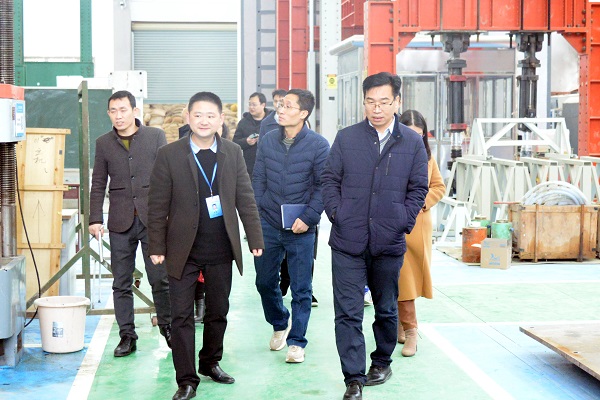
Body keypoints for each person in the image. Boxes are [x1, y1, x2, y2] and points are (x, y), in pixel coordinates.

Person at [148, 91, 264, 400]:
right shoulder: (169, 154)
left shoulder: (232, 152)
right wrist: (156, 245)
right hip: (181, 249)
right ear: (187, 117)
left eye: (210, 115)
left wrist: (255, 237)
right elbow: (157, 204)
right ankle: (186, 380)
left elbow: (245, 197)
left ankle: (210, 362)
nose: (203, 121)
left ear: (221, 120)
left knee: (218, 311)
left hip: (220, 247)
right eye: (198, 115)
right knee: (181, 316)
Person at [321, 72, 429, 400]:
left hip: (389, 241)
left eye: (384, 102)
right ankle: (353, 378)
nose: (377, 108)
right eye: (371, 102)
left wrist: (402, 220)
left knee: (385, 308)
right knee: (348, 311)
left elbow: (418, 188)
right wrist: (338, 214)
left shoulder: (411, 142)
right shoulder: (347, 138)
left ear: (397, 102)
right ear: (363, 103)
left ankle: (382, 361)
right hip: (348, 240)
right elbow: (329, 179)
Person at [89, 90, 172, 357]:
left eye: (123, 110)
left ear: (135, 111)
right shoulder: (104, 143)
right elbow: (98, 182)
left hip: (153, 220)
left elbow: (167, 177)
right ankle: (127, 335)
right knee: (121, 281)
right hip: (120, 220)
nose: (118, 116)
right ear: (108, 114)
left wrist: (169, 213)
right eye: (113, 111)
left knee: (160, 278)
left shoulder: (155, 136)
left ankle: (168, 327)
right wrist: (95, 218)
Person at [252, 89, 330, 364]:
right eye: (280, 105)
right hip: (269, 222)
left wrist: (308, 218)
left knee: (301, 287)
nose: (280, 110)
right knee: (264, 282)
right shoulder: (268, 140)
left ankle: (297, 341)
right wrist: (260, 208)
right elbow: (258, 177)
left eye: (288, 106)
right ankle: (279, 322)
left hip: (301, 227)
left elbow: (323, 186)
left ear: (304, 113)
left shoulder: (319, 145)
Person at [396, 110, 445, 357]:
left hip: (416, 226)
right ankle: (401, 324)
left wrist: (421, 202)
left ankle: (411, 330)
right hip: (390, 223)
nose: (415, 138)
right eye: (410, 133)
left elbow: (438, 186)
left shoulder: (427, 158)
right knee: (392, 279)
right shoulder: (389, 155)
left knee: (407, 279)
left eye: (419, 134)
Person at [233, 92, 270, 178]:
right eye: (249, 104)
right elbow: (235, 143)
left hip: (269, 167)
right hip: (250, 168)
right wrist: (246, 142)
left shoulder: (271, 121)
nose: (251, 107)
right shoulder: (243, 122)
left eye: (254, 105)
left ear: (263, 105)